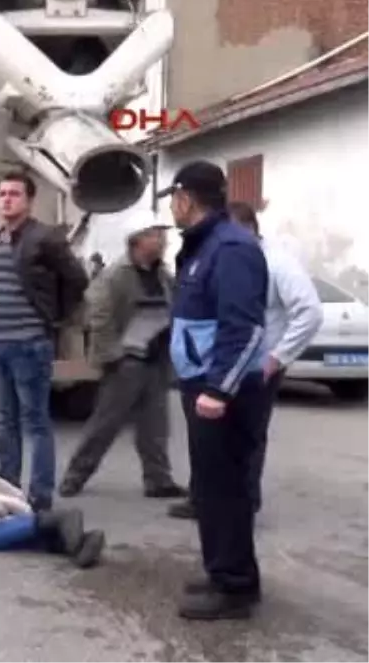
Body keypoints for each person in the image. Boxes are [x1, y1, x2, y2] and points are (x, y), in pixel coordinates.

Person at [160, 161, 270, 621]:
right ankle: (225, 569)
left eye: (174, 197)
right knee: (211, 487)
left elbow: (243, 328)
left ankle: (235, 588)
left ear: (187, 198)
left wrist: (219, 391)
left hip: (220, 392)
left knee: (225, 489)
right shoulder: (204, 246)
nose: (171, 205)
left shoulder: (231, 249)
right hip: (202, 385)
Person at [169, 201, 322, 520]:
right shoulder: (224, 256)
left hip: (255, 368)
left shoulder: (276, 262)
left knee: (245, 442)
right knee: (208, 440)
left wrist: (278, 357)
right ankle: (203, 499)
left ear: (247, 229)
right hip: (219, 364)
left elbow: (309, 312)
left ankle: (242, 505)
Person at [0, 171, 89, 511]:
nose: (7, 199)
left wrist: (54, 318)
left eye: (15, 194)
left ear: (29, 200)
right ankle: (9, 488)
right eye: (3, 194)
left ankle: (40, 495)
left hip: (30, 344)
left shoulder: (45, 238)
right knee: (3, 420)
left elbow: (77, 279)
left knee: (35, 421)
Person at [59, 218, 189, 499]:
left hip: (154, 361)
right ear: (137, 240)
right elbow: (100, 317)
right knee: (104, 424)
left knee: (155, 426)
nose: (163, 241)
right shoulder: (115, 275)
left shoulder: (163, 275)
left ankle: (158, 480)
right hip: (126, 363)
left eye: (163, 235)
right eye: (156, 235)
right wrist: (114, 357)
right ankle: (74, 477)